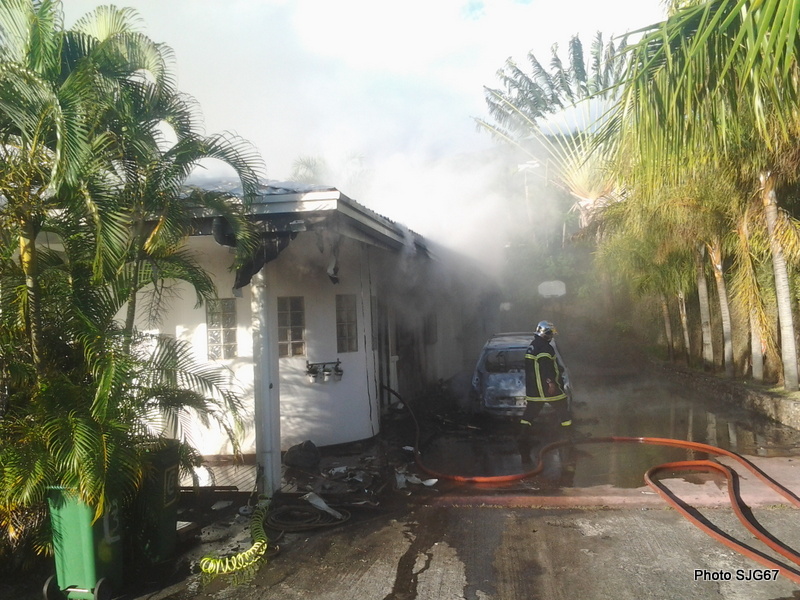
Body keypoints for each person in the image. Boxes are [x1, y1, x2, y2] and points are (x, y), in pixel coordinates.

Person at [518, 320, 572, 463]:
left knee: (529, 415)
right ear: (545, 333)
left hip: (534, 390)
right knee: (563, 408)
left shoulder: (533, 346)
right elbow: (546, 367)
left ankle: (522, 440)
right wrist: (551, 383)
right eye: (550, 334)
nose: (551, 336)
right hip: (546, 389)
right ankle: (569, 438)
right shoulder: (544, 348)